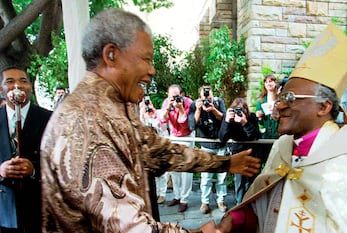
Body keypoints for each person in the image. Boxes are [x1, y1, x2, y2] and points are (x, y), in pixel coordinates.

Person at [40, 9, 261, 233]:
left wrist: (225, 164)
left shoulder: (113, 107)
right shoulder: (89, 121)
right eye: (146, 59)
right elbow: (127, 226)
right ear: (111, 55)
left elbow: (158, 151)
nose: (152, 70)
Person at [196, 23, 347, 233]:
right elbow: (265, 202)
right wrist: (234, 220)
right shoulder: (283, 146)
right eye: (282, 97)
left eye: (290, 98)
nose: (280, 105)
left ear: (323, 107)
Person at [0, 65, 52, 233]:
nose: (17, 85)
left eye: (23, 81)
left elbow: (62, 160)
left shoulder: (50, 118)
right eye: (10, 81)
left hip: (40, 208)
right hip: (4, 211)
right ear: (1, 89)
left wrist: (34, 169)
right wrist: (0, 171)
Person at [189, 85, 227, 214]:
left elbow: (225, 119)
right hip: (206, 145)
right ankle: (205, 202)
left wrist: (213, 109)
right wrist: (199, 110)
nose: (207, 98)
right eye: (204, 96)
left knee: (222, 177)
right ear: (200, 96)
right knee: (206, 177)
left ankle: (220, 200)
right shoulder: (195, 105)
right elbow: (192, 125)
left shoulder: (218, 102)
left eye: (209, 96)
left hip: (220, 144)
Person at [219, 97, 261, 205]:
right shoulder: (229, 119)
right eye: (237, 110)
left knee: (251, 182)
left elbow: (255, 136)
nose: (239, 112)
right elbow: (222, 138)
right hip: (238, 155)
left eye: (242, 110)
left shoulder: (251, 118)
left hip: (251, 153)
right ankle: (239, 204)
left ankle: (250, 204)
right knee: (239, 182)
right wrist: (227, 121)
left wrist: (245, 123)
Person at [160, 84, 195, 213]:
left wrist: (180, 109)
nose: (174, 98)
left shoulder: (189, 103)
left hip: (186, 136)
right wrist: (168, 107)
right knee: (174, 168)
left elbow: (184, 123)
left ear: (182, 95)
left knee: (186, 169)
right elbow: (162, 120)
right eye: (171, 96)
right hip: (173, 136)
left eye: (176, 96)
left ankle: (184, 199)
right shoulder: (167, 102)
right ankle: (177, 195)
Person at [138, 97, 170, 206]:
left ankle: (162, 194)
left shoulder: (159, 114)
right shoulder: (141, 117)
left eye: (149, 102)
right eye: (145, 104)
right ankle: (155, 193)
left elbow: (162, 128)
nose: (147, 105)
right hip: (147, 149)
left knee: (162, 173)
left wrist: (154, 114)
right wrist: (142, 115)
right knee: (151, 172)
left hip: (160, 147)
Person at [255, 73, 280, 139]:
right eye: (266, 82)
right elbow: (261, 123)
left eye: (270, 81)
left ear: (275, 83)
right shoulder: (261, 100)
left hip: (279, 133)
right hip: (267, 135)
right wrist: (259, 117)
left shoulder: (280, 98)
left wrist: (275, 110)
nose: (268, 84)